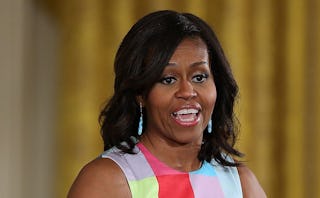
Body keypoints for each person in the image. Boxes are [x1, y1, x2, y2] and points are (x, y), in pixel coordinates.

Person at [68, 10, 266, 198]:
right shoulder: (106, 182)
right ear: (140, 93)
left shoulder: (241, 184)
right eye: (168, 79)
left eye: (199, 77)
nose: (188, 92)